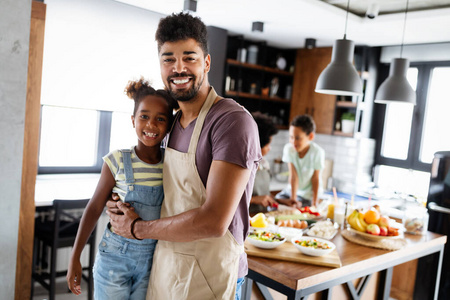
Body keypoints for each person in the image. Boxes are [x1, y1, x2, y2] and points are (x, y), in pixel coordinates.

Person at [106, 12, 261, 300]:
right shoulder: (171, 124)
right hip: (167, 269)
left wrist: (138, 228)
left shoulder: (231, 121)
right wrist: (119, 202)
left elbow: (214, 221)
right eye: (168, 59)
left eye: (189, 57)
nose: (178, 68)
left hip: (213, 276)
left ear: (207, 62)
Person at [66, 78, 176, 299]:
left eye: (160, 119)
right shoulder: (116, 160)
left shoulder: (172, 165)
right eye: (144, 116)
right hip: (114, 260)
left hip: (153, 261)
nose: (151, 125)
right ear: (133, 120)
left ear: (170, 125)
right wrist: (75, 256)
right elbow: (94, 207)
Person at [275, 114, 325, 208]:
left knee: (302, 206)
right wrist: (293, 199)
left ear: (310, 136)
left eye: (297, 138)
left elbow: (315, 178)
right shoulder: (289, 149)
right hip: (292, 190)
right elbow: (293, 176)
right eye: (291, 137)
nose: (293, 142)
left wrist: (315, 201)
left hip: (308, 195)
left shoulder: (317, 152)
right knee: (276, 200)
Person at [250, 112, 279, 214]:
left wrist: (280, 200)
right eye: (268, 144)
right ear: (259, 143)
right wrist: (254, 199)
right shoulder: (242, 166)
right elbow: (226, 198)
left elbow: (264, 194)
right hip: (246, 219)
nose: (269, 148)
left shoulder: (264, 164)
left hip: (262, 220)